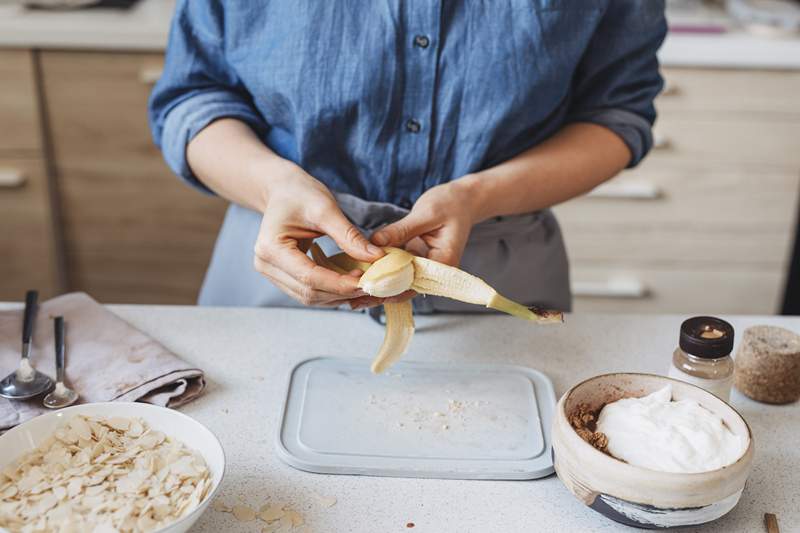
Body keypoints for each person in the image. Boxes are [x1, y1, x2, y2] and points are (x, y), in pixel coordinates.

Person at [149, 0, 666, 313]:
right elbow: (193, 98)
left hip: (498, 277)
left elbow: (616, 114)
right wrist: (272, 185)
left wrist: (479, 194)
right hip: (283, 263)